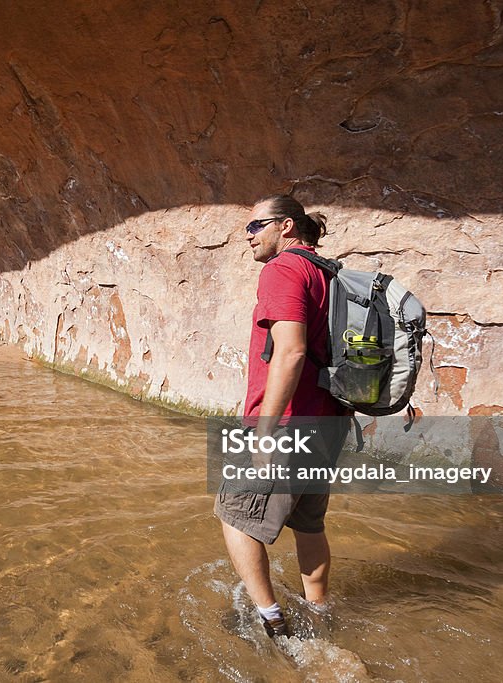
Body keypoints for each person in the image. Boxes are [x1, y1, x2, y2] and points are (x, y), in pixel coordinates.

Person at [215, 195, 350, 640]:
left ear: (285, 226)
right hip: (328, 423)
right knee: (308, 523)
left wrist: (264, 433)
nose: (248, 236)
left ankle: (270, 619)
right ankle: (320, 614)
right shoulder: (330, 273)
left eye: (255, 226)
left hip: (288, 423)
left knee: (234, 513)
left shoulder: (283, 269)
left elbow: (290, 352)